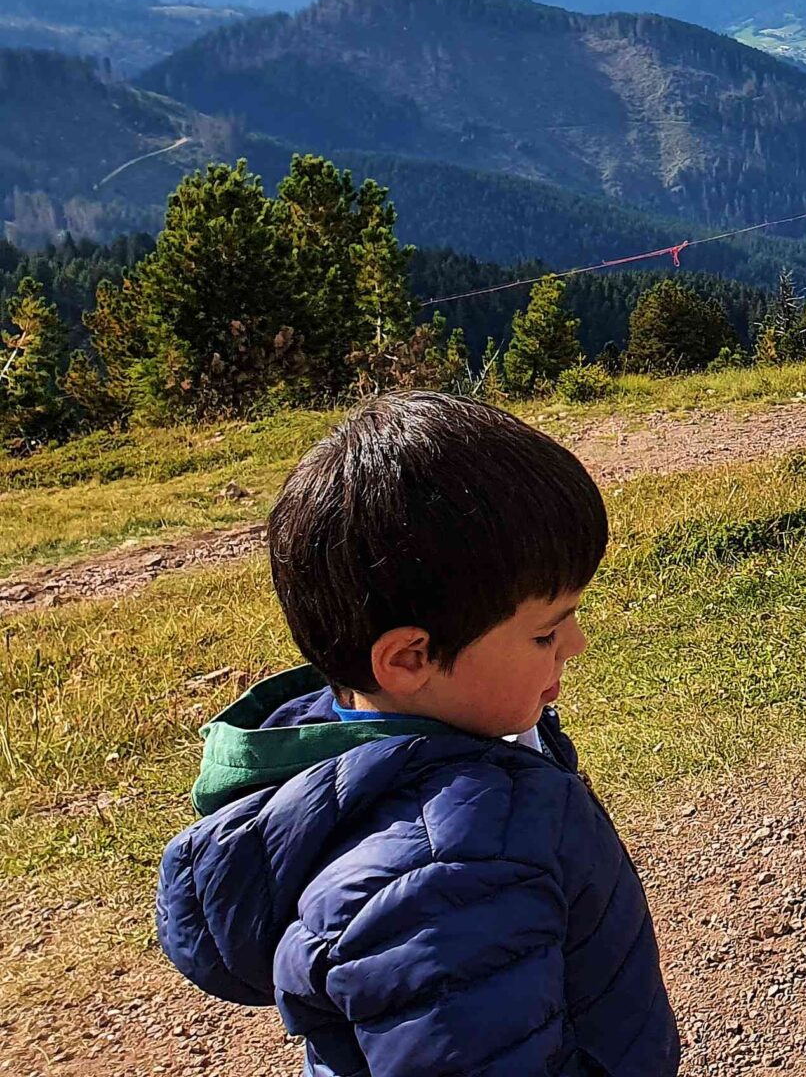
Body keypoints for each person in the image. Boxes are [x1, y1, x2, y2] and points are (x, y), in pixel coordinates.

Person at [157, 394, 680, 1076]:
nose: (575, 644)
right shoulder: (446, 874)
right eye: (546, 631)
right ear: (408, 660)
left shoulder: (402, 744)